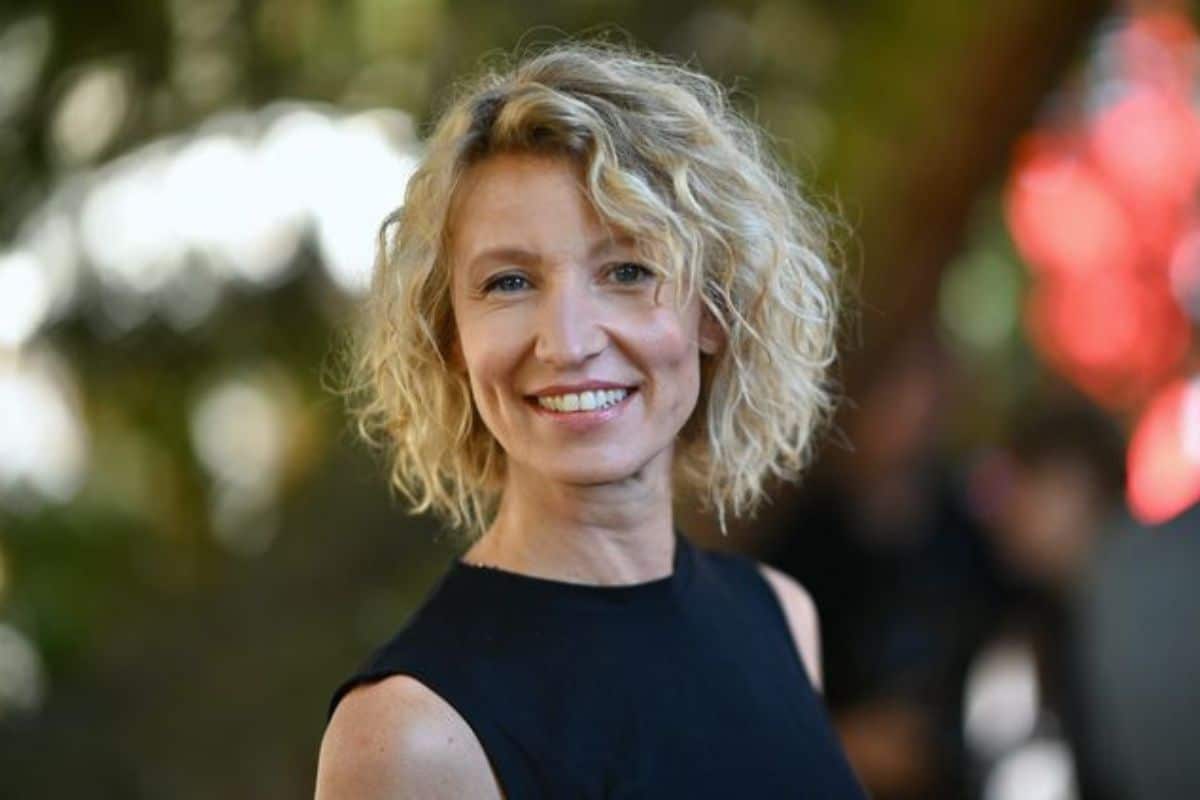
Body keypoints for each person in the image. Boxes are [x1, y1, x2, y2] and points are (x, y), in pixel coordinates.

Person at [314, 40, 865, 798]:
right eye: (510, 282)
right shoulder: (411, 734)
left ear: (714, 310)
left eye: (629, 271)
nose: (568, 343)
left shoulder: (780, 615)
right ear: (451, 338)